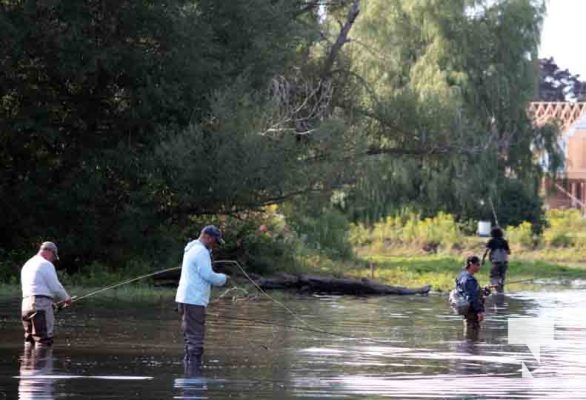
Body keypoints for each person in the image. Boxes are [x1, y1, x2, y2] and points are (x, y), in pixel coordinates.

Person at [175, 225, 228, 374]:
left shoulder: (191, 249)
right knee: (196, 340)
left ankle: (189, 373)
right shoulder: (201, 251)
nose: (215, 245)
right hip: (194, 300)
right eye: (214, 241)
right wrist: (223, 279)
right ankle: (193, 378)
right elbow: (208, 275)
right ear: (206, 236)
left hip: (185, 298)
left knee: (189, 338)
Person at [21, 241, 72, 347]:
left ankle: (27, 362)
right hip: (40, 305)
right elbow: (55, 287)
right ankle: (42, 362)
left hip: (25, 305)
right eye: (53, 257)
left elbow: (37, 287)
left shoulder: (28, 264)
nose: (53, 260)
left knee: (29, 340)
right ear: (49, 251)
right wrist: (66, 298)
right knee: (43, 340)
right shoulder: (45, 264)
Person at [455, 255, 485, 340]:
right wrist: (479, 311)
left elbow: (466, 291)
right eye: (478, 265)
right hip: (472, 312)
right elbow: (472, 297)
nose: (479, 267)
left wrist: (481, 291)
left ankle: (468, 349)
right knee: (472, 336)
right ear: (471, 264)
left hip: (467, 311)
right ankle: (470, 351)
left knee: (469, 333)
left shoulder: (461, 275)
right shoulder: (469, 279)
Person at [481, 226, 511, 293]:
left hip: (496, 262)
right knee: (502, 277)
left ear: (492, 233)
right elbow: (509, 253)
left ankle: (497, 291)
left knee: (493, 277)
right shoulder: (504, 241)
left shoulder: (491, 241)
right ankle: (501, 291)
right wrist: (506, 244)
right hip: (505, 262)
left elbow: (486, 251)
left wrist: (483, 260)